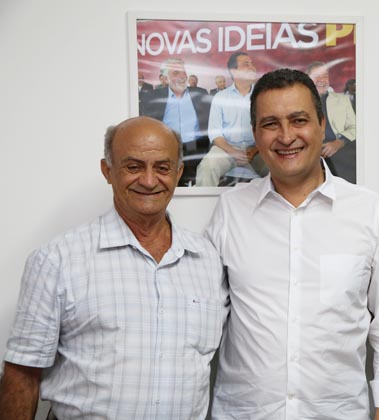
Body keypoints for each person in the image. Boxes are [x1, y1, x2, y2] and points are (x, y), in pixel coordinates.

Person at [0, 117, 229, 420]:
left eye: (162, 168)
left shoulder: (209, 260)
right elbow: (22, 374)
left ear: (178, 173)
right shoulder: (57, 260)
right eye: (133, 167)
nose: (149, 180)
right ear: (107, 171)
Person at [207, 68, 379, 420]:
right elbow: (203, 319)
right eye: (270, 124)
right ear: (255, 133)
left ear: (321, 125)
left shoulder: (370, 211)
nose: (286, 137)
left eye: (298, 120)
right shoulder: (230, 211)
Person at [196, 52, 268, 186]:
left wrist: (255, 149)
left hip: (257, 149)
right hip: (226, 148)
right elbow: (215, 133)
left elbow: (269, 129)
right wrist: (233, 152)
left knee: (276, 168)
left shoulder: (263, 96)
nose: (252, 67)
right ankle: (203, 200)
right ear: (234, 71)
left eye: (252, 64)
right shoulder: (221, 97)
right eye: (246, 64)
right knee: (207, 167)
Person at [306, 61, 357, 183]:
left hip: (339, 150)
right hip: (308, 152)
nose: (321, 80)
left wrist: (339, 142)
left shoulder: (342, 100)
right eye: (316, 75)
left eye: (325, 76)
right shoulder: (298, 101)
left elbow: (354, 127)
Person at [141, 58, 210, 147]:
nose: (182, 76)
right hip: (167, 148)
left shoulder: (200, 94)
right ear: (166, 79)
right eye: (176, 73)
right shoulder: (153, 97)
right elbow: (148, 128)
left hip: (197, 148)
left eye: (184, 72)